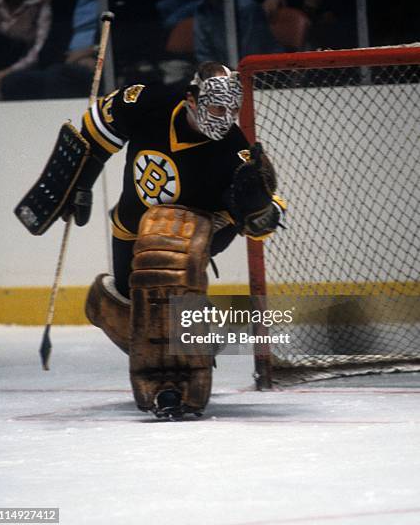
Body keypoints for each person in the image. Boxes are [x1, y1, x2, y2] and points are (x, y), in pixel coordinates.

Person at [16, 61, 286, 418]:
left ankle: (170, 384)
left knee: (162, 282)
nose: (226, 118)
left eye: (233, 109)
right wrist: (79, 182)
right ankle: (198, 334)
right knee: (133, 314)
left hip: (196, 232)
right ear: (191, 98)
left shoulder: (235, 152)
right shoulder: (147, 102)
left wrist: (264, 212)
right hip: (130, 225)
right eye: (218, 108)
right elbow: (96, 131)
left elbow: (262, 214)